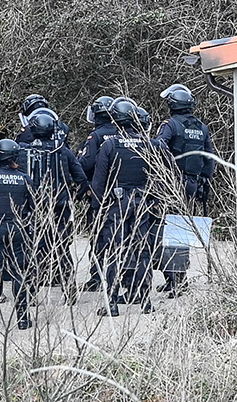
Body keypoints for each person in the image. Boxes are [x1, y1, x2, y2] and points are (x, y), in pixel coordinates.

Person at [90, 98, 171, 316]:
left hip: (117, 205)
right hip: (144, 203)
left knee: (115, 253)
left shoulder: (109, 145)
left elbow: (99, 183)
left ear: (116, 119)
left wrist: (100, 208)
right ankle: (145, 302)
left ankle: (113, 303)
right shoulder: (150, 144)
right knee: (143, 252)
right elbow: (164, 176)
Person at [156, 83, 217, 297]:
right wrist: (205, 180)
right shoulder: (201, 127)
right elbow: (210, 157)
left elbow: (159, 146)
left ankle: (175, 281)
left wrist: (168, 169)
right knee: (181, 230)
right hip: (194, 184)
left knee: (168, 232)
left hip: (173, 183)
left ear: (172, 104)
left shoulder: (170, 125)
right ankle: (179, 278)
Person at [21, 112, 88, 304]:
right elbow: (81, 179)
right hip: (60, 206)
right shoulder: (63, 150)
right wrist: (74, 197)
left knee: (34, 249)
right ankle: (70, 292)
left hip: (34, 207)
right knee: (61, 249)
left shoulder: (24, 150)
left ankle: (31, 295)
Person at [0, 139, 34, 329]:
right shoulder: (26, 179)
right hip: (19, 229)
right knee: (20, 272)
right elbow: (34, 208)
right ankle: (23, 318)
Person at [77, 95, 120, 293]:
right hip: (123, 192)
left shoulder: (95, 136)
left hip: (99, 192)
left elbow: (85, 162)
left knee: (98, 237)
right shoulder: (123, 133)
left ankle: (97, 276)